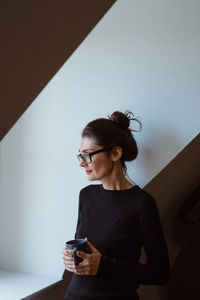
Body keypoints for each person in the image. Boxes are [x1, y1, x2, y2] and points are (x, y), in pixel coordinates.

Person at [61, 110, 170, 300]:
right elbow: (86, 250)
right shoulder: (86, 196)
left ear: (115, 153)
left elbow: (160, 273)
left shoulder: (142, 204)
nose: (82, 164)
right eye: (80, 156)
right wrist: (71, 259)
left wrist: (103, 265)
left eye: (87, 155)